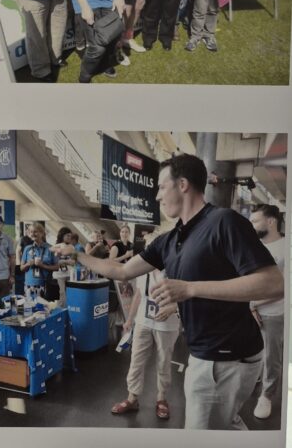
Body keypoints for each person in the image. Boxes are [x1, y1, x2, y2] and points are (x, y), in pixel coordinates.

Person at [75, 153, 283, 430]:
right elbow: (122, 271)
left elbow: (272, 282)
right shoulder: (170, 240)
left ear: (183, 184)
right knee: (226, 425)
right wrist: (76, 255)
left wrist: (190, 289)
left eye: (162, 187)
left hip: (226, 356)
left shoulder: (224, 222)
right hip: (202, 351)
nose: (158, 196)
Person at [110, 231, 181, 422]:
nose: (150, 250)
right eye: (148, 246)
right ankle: (132, 398)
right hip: (143, 321)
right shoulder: (143, 268)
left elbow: (187, 294)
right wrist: (129, 319)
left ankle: (162, 399)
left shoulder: (175, 266)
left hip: (167, 325)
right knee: (136, 361)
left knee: (164, 362)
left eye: (154, 245)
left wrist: (174, 308)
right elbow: (139, 295)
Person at [249, 204, 286, 420]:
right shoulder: (256, 247)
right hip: (253, 310)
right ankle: (255, 382)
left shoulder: (285, 248)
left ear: (271, 221)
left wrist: (254, 303)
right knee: (254, 351)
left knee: (272, 356)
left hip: (274, 313)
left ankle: (267, 395)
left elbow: (284, 288)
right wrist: (249, 305)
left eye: (255, 221)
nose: (252, 225)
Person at [20, 222, 56, 297]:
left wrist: (42, 265)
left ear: (42, 233)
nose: (33, 234)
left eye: (35, 231)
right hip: (29, 285)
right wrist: (28, 264)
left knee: (43, 308)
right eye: (31, 232)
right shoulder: (27, 248)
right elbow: (21, 268)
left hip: (45, 285)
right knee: (30, 307)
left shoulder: (50, 248)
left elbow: (57, 267)